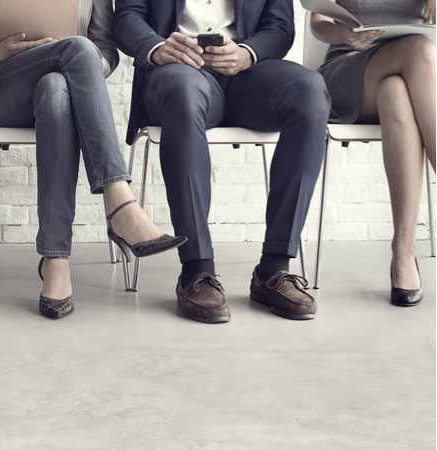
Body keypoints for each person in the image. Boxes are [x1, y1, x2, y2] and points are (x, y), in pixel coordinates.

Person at [0, 0, 186, 319]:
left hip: (63, 88)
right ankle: (120, 204)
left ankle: (56, 261)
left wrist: (82, 67)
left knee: (56, 86)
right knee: (78, 47)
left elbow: (104, 51)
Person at [112, 0, 330, 323]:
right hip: (177, 74)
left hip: (247, 75)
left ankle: (275, 268)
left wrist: (246, 54)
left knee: (310, 91)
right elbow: (126, 17)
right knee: (184, 92)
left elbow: (281, 26)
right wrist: (158, 48)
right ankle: (196, 271)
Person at [311, 0, 436, 307]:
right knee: (419, 48)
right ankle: (404, 250)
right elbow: (317, 21)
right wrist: (345, 35)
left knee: (395, 91)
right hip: (350, 70)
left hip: (414, 80)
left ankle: (403, 250)